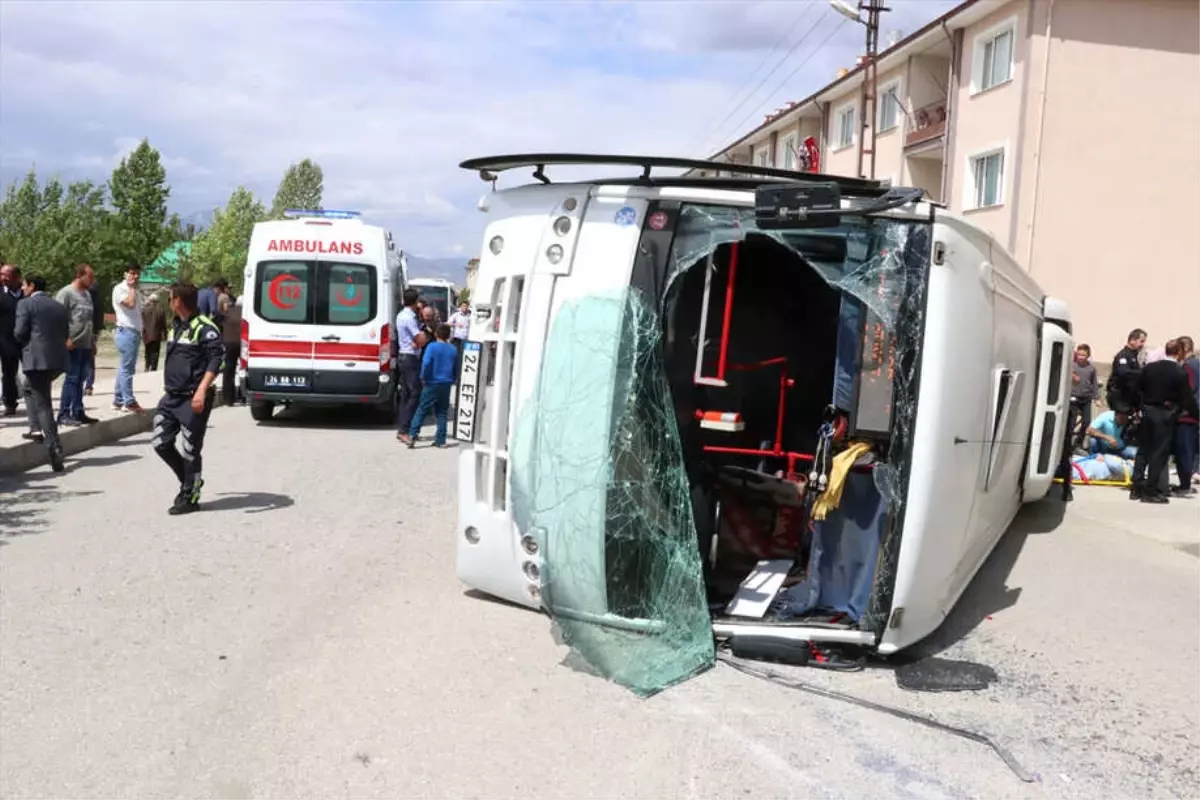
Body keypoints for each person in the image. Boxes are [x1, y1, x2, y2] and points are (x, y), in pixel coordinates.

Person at [152, 282, 223, 515]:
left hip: (193, 398)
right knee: (160, 442)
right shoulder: (177, 326)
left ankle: (189, 497)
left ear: (178, 301)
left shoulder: (205, 327)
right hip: (171, 396)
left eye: (170, 298)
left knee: (190, 449)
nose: (169, 302)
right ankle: (189, 480)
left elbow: (216, 360)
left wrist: (202, 389)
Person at [1130, 339, 1200, 504]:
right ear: (1179, 353)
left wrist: (1138, 408)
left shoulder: (1149, 368)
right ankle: (1151, 490)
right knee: (1159, 453)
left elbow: (1136, 390)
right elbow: (1187, 399)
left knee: (1143, 450)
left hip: (1147, 411)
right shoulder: (1179, 372)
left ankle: (1136, 486)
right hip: (1165, 414)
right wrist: (1197, 415)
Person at [13, 274, 68, 473]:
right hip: (57, 360)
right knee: (28, 389)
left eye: (24, 285)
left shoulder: (25, 305)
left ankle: (54, 447)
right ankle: (35, 428)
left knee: (43, 403)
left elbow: (19, 332)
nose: (22, 289)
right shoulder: (58, 306)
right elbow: (65, 332)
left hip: (36, 360)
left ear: (32, 286)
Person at [55, 263, 98, 426]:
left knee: (82, 377)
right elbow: (57, 318)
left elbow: (88, 321)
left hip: (85, 343)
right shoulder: (66, 293)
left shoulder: (87, 295)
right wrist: (64, 339)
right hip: (72, 344)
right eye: (90, 276)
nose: (92, 280)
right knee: (72, 378)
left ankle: (78, 411)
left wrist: (92, 342)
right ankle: (63, 413)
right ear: (79, 275)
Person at [407, 323, 456, 448]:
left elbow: (427, 362)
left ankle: (412, 435)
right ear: (448, 335)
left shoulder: (431, 347)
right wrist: (453, 378)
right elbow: (456, 367)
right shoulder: (453, 349)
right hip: (446, 383)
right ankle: (441, 440)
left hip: (432, 382)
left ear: (436, 334)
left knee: (422, 409)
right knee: (442, 412)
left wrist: (423, 377)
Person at [111, 263, 144, 413]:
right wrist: (131, 288)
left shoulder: (135, 291)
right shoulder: (120, 289)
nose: (135, 276)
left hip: (134, 331)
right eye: (132, 273)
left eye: (137, 273)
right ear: (125, 274)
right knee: (127, 369)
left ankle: (118, 400)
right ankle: (128, 401)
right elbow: (129, 304)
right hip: (126, 332)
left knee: (124, 367)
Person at [394, 288, 426, 445]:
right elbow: (421, 340)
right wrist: (420, 338)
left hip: (403, 355)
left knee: (406, 394)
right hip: (410, 357)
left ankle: (405, 427)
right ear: (415, 302)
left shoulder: (401, 315)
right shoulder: (410, 318)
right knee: (416, 393)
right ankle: (404, 430)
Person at [1173, 335, 1199, 495]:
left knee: (1184, 450)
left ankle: (1185, 486)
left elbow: (1186, 390)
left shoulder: (1188, 366)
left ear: (1183, 349)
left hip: (1187, 414)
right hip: (1196, 413)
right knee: (1192, 450)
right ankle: (1186, 483)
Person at [0, 263, 24, 417]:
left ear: (16, 277)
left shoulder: (26, 294)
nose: (2, 278)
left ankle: (36, 401)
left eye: (6, 275)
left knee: (33, 373)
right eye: (1, 274)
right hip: (5, 341)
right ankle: (10, 403)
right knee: (8, 373)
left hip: (26, 341)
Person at [1106, 328, 1147, 414]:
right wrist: (1143, 372)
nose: (1143, 344)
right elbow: (1123, 372)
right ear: (1132, 340)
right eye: (1141, 341)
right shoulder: (1123, 355)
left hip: (1129, 398)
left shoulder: (1135, 355)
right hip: (1120, 397)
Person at [1070, 343, 1098, 451]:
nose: (1081, 357)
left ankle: (1079, 443)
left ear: (1088, 356)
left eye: (1084, 355)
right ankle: (1068, 444)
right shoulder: (1072, 365)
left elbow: (1094, 383)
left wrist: (1096, 397)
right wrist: (1071, 376)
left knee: (1086, 421)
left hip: (1086, 398)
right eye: (1079, 354)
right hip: (1073, 398)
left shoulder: (1091, 368)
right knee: (1071, 422)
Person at [220, 295, 243, 406]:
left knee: (229, 371)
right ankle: (242, 396)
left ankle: (229, 399)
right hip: (242, 343)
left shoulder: (225, 313)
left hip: (229, 344)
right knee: (243, 370)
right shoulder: (244, 312)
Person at [84, 278, 104, 397]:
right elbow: (99, 316)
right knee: (90, 360)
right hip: (93, 331)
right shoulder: (98, 299)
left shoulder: (84, 297)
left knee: (80, 358)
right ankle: (89, 386)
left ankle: (81, 384)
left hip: (83, 330)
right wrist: (97, 331)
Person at [142, 294, 167, 371]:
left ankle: (147, 365)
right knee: (155, 352)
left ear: (150, 300)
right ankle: (153, 367)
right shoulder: (161, 310)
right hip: (156, 335)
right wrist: (165, 334)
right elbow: (163, 324)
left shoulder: (144, 310)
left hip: (146, 334)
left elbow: (141, 322)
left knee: (147, 350)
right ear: (157, 301)